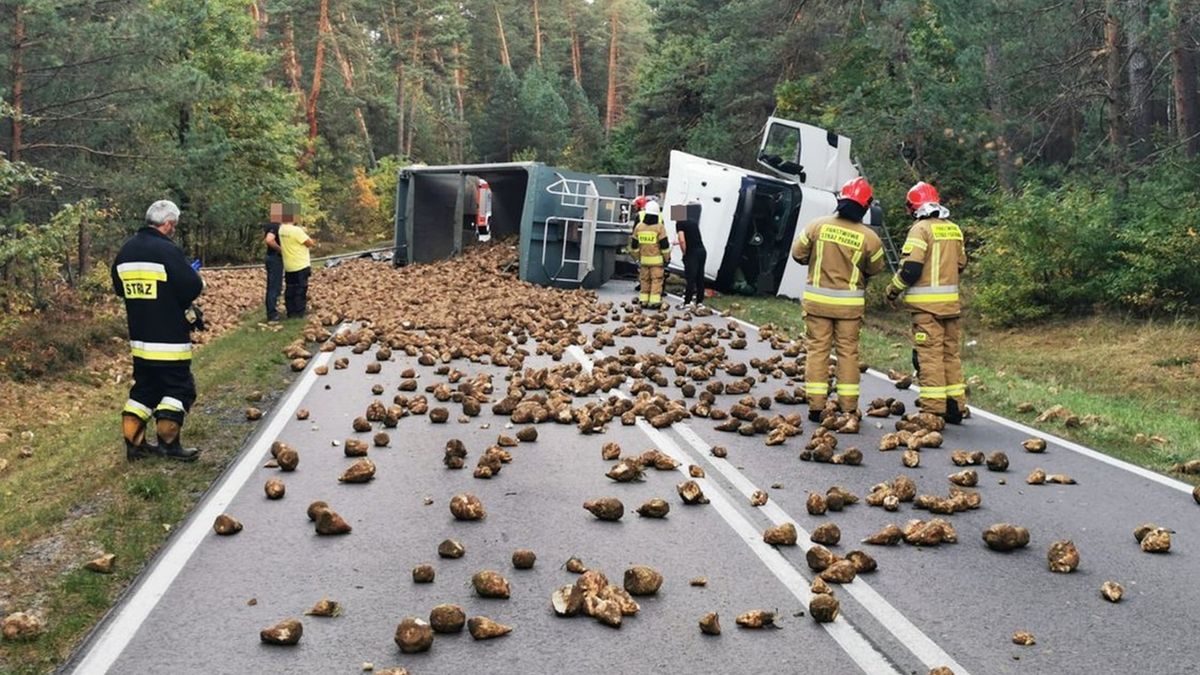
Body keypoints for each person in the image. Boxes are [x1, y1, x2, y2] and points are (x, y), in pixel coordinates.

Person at [111, 200, 205, 462]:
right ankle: (169, 444)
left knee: (145, 390)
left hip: (140, 340)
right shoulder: (167, 250)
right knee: (179, 388)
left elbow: (120, 288)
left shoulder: (126, 250)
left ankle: (135, 445)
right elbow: (191, 286)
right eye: (174, 225)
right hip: (169, 339)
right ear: (168, 224)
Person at [791, 177, 886, 422]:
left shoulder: (816, 226)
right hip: (849, 308)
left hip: (817, 304)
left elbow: (797, 254)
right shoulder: (870, 238)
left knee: (817, 351)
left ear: (840, 199)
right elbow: (876, 268)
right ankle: (848, 408)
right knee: (847, 353)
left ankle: (816, 407)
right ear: (865, 206)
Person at [886, 181, 968, 423]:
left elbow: (910, 269)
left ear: (913, 207)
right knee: (950, 356)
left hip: (926, 310)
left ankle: (933, 410)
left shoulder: (920, 230)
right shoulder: (954, 229)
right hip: (950, 307)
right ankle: (955, 406)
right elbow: (961, 264)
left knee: (930, 357)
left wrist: (892, 290)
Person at [629, 200, 670, 308]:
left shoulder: (639, 227)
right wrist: (667, 259)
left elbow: (634, 246)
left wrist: (638, 258)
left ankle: (643, 301)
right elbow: (664, 246)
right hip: (657, 261)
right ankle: (654, 302)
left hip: (644, 260)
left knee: (644, 280)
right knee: (656, 281)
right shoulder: (659, 227)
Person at [278, 203, 315, 318]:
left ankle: (291, 311)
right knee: (301, 289)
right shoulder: (297, 231)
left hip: (288, 265)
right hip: (300, 264)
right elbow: (310, 243)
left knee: (290, 289)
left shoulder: (281, 229)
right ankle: (299, 312)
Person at [675, 201, 707, 306]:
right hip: (701, 251)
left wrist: (684, 253)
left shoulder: (679, 223)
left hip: (692, 253)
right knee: (700, 277)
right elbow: (691, 237)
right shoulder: (693, 222)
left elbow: (682, 240)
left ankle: (687, 302)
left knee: (690, 277)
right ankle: (699, 301)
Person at [263, 203, 284, 321]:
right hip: (274, 258)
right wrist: (281, 250)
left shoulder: (271, 225)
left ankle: (273, 310)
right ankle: (272, 314)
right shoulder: (274, 226)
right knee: (274, 286)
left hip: (272, 258)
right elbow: (269, 240)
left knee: (275, 286)